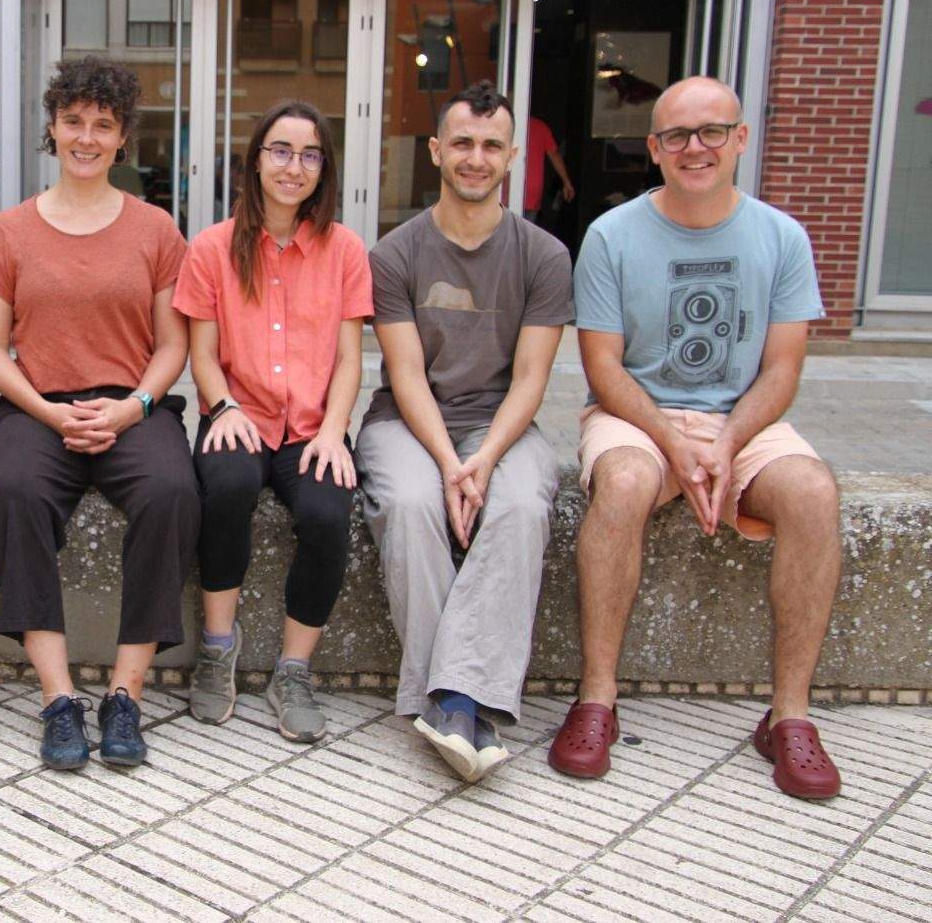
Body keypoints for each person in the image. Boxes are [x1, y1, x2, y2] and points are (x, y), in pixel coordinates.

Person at [551, 76, 842, 799]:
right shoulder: (611, 236)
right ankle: (596, 700)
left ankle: (790, 718)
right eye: (677, 135)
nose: (696, 148)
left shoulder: (782, 238)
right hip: (636, 414)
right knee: (620, 484)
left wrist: (726, 440)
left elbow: (781, 370)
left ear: (741, 138)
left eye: (713, 130)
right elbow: (603, 367)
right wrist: (672, 442)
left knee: (812, 492)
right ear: (654, 149)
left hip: (745, 418)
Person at [0, 56, 199, 770]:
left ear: (123, 135)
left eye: (103, 125)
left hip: (132, 405)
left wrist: (134, 408)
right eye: (74, 122)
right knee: (14, 495)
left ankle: (125, 695)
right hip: (36, 407)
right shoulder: (9, 232)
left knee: (172, 493)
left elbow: (173, 345)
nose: (87, 137)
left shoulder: (156, 229)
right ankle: (59, 697)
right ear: (52, 127)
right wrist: (45, 410)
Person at [358, 81, 572, 782]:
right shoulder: (395, 253)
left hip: (503, 423)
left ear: (512, 156)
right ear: (435, 152)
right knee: (413, 504)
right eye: (461, 143)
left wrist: (483, 460)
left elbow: (533, 378)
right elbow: (407, 374)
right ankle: (462, 703)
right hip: (409, 424)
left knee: (518, 506)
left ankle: (450, 701)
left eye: (489, 145)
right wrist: (454, 465)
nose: (475, 158)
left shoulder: (543, 256)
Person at [175, 100, 372, 743]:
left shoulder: (344, 250)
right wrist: (223, 405)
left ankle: (293, 669)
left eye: (310, 155)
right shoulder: (210, 247)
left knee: (326, 511)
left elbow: (350, 358)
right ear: (256, 160)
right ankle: (217, 647)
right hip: (239, 413)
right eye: (280, 151)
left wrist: (335, 431)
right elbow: (202, 354)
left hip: (313, 423)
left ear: (324, 168)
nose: (294, 167)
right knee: (226, 487)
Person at [522, 115, 576, 218]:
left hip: (508, 191)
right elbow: (554, 155)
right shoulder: (540, 127)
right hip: (533, 192)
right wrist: (567, 182)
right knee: (526, 232)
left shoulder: (507, 125)